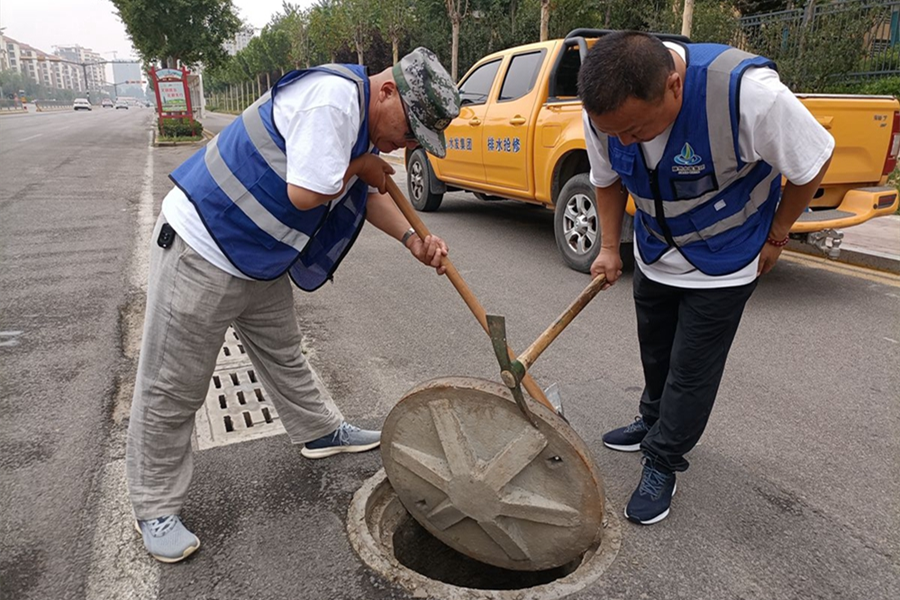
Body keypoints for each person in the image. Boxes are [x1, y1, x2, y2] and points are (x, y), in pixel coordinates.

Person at [127, 47, 461, 562]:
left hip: (257, 255)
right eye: (411, 129)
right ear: (388, 91)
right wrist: (363, 163)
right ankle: (154, 505)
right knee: (173, 384)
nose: (408, 143)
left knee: (284, 353)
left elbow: (364, 192)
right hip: (203, 245)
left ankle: (320, 431)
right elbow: (309, 191)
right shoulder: (333, 102)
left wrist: (412, 241)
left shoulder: (360, 123)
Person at [578, 32, 833, 525]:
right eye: (615, 133)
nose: (624, 140)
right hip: (655, 251)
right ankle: (652, 420)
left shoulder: (749, 94)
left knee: (691, 368)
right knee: (655, 351)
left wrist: (778, 235)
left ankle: (663, 460)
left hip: (726, 259)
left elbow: (814, 158)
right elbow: (606, 178)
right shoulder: (605, 113)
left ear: (674, 86)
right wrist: (610, 247)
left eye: (634, 129)